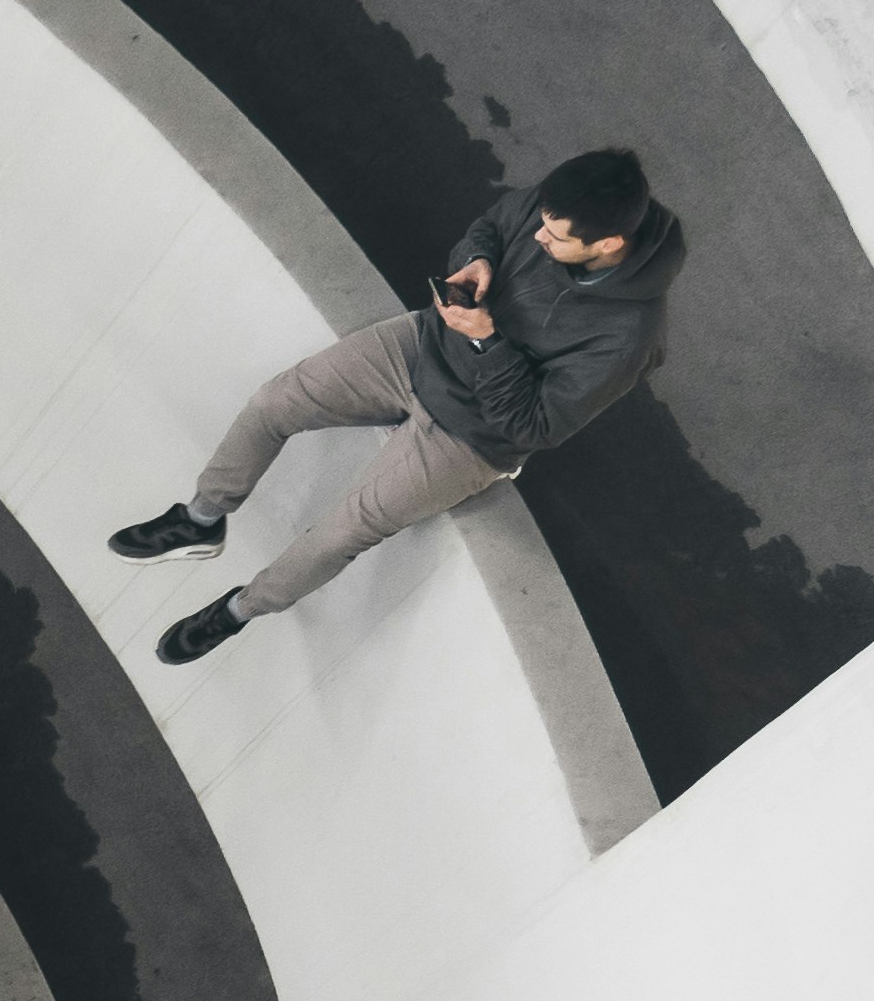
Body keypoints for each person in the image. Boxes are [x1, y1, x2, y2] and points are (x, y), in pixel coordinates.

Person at [107, 148, 688, 665]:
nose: (539, 238)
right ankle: (201, 520)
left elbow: (535, 424)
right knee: (273, 402)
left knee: (340, 533)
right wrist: (478, 259)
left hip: (475, 433)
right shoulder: (557, 206)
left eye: (556, 238)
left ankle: (237, 611)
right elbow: (490, 226)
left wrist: (486, 340)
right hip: (425, 345)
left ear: (608, 245)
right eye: (541, 223)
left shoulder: (628, 336)